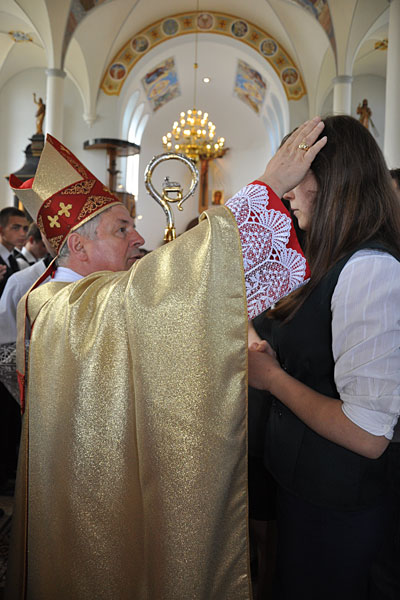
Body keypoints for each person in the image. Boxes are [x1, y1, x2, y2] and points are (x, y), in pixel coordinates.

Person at [5, 124, 316, 599]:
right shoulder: (69, 304)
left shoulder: (80, 299)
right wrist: (269, 186)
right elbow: (163, 290)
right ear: (79, 246)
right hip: (95, 498)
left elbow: (175, 316)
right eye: (122, 228)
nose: (138, 237)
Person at [248, 115, 400, 599]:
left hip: (341, 503)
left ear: (334, 179)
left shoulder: (371, 269)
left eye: (297, 177)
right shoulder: (326, 257)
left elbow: (368, 434)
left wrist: (272, 377)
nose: (288, 194)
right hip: (304, 486)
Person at [0, 207, 29, 297]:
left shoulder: (13, 259)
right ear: (1, 231)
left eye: (25, 228)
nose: (23, 233)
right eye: (16, 228)